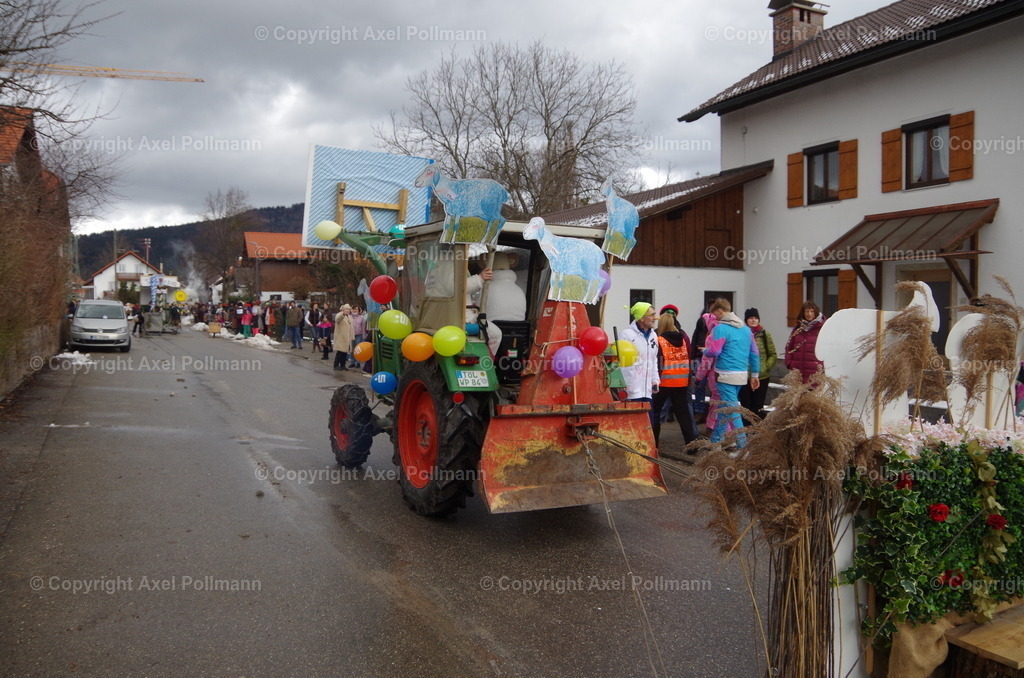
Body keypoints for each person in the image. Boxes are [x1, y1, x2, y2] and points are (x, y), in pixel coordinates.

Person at [702, 298, 760, 447]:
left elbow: (715, 351)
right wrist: (755, 375)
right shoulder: (746, 330)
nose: (714, 317)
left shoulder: (720, 328)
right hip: (741, 375)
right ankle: (715, 442)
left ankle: (743, 447)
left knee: (732, 411)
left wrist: (705, 351)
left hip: (724, 375)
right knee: (724, 409)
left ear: (720, 311)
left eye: (715, 314)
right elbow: (754, 353)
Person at [653, 312, 696, 447]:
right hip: (681, 382)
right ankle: (691, 444)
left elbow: (657, 362)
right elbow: (687, 359)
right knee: (683, 414)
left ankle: (655, 444)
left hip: (664, 381)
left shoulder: (659, 340)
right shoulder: (682, 340)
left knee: (655, 412)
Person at [620, 302, 661, 427]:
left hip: (647, 391)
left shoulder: (653, 335)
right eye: (652, 315)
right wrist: (623, 385)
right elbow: (621, 363)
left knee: (648, 425)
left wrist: (655, 380)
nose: (655, 318)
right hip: (632, 391)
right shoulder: (626, 335)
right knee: (632, 426)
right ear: (642, 318)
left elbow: (653, 359)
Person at [739, 308, 777, 420]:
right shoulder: (742, 334)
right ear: (746, 320)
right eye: (751, 318)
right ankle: (746, 431)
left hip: (762, 376)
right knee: (745, 405)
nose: (753, 320)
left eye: (756, 318)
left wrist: (765, 367)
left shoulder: (765, 334)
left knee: (758, 405)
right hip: (745, 376)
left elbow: (772, 354)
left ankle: (757, 431)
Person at [785, 301, 826, 383]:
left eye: (812, 311)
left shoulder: (822, 329)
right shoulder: (798, 328)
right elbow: (789, 347)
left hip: (815, 374)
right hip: (798, 373)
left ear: (816, 312)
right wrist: (789, 363)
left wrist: (822, 366)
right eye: (807, 311)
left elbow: (827, 349)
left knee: (813, 395)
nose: (809, 314)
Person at [333, 305, 354, 370]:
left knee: (345, 352)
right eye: (346, 309)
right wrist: (343, 314)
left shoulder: (350, 317)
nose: (347, 311)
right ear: (343, 310)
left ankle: (343, 365)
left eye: (348, 309)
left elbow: (352, 328)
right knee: (340, 352)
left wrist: (352, 337)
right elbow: (337, 320)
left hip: (347, 338)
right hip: (341, 337)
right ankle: (336, 365)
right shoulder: (339, 315)